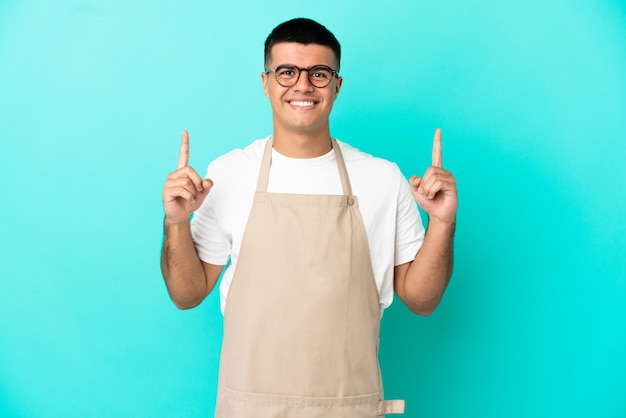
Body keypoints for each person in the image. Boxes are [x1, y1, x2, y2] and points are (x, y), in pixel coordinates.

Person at [161, 17, 457, 418]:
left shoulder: (381, 179)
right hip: (250, 408)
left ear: (336, 85)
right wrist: (176, 223)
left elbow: (422, 300)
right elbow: (186, 294)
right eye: (286, 72)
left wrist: (441, 223)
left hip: (347, 408)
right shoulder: (229, 174)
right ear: (265, 83)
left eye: (319, 73)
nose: (302, 85)